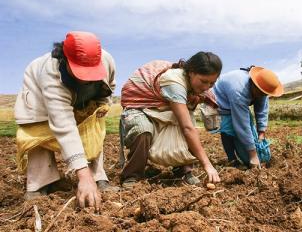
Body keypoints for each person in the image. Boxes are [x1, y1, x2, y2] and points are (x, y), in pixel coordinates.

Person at [14, 31, 118, 211]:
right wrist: (82, 178)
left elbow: (110, 85)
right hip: (39, 102)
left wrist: (102, 106)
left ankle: (98, 176)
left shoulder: (106, 60)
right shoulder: (51, 74)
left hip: (85, 98)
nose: (85, 77)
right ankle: (39, 184)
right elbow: (64, 127)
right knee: (38, 132)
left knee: (93, 128)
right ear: (65, 59)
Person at [120, 52, 222, 187]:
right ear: (191, 72)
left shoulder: (198, 86)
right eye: (203, 81)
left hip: (164, 106)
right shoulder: (174, 82)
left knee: (186, 124)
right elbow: (187, 128)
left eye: (212, 83)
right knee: (142, 131)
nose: (206, 87)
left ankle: (183, 171)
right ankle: (132, 175)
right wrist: (207, 165)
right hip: (141, 106)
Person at [212, 66, 284, 168]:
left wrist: (261, 132)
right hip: (220, 101)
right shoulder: (239, 91)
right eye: (261, 93)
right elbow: (242, 125)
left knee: (250, 135)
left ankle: (248, 152)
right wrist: (253, 155)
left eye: (265, 94)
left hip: (237, 99)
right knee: (228, 129)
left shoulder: (262, 88)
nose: (262, 95)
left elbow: (262, 109)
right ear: (254, 84)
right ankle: (232, 160)